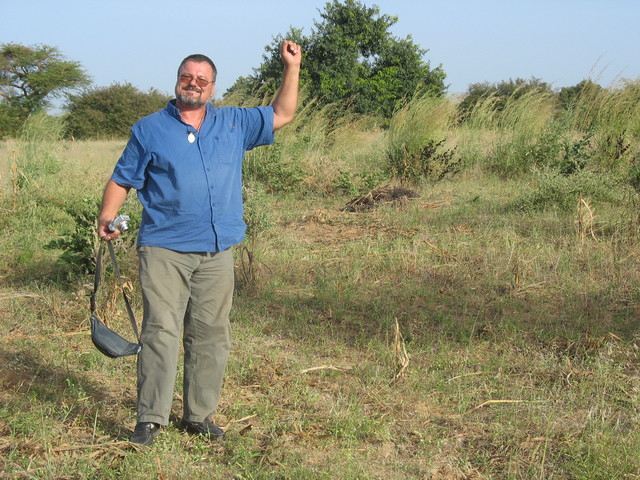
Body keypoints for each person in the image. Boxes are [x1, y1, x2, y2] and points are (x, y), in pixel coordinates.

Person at [97, 40, 301, 446]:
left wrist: (291, 67)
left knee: (211, 333)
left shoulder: (234, 124)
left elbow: (283, 113)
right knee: (161, 331)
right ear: (177, 81)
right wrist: (108, 215)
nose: (194, 84)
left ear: (213, 88)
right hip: (164, 249)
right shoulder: (149, 128)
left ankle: (199, 416)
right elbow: (123, 179)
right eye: (187, 77)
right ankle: (151, 418)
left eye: (202, 80)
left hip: (217, 251)